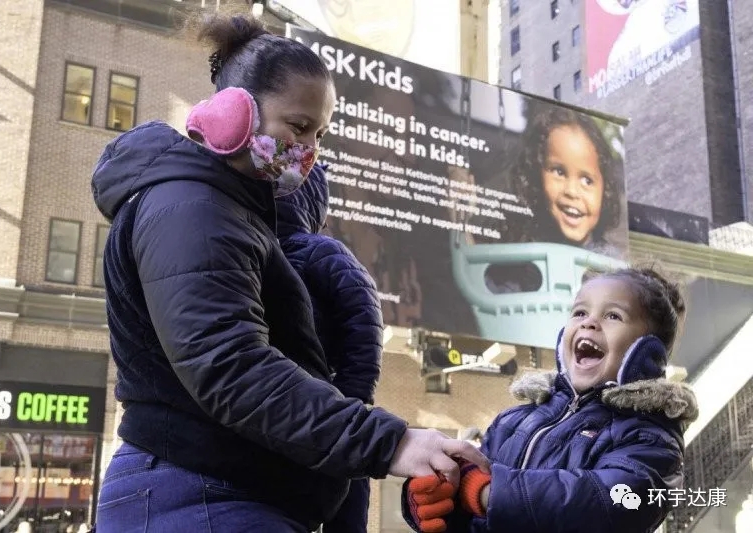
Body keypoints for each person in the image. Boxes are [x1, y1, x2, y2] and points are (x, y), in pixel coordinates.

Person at [90, 12, 487, 533]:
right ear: (232, 112)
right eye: (298, 127)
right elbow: (230, 366)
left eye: (319, 134)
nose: (308, 151)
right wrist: (392, 442)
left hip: (227, 496)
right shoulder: (190, 207)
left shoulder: (228, 212)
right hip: (194, 496)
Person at [401, 266, 699, 532]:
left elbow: (610, 503)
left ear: (647, 352)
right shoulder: (514, 419)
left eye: (613, 316)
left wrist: (486, 493)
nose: (589, 323)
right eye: (580, 312)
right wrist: (434, 501)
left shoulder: (650, 436)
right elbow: (471, 503)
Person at [274, 163, 382, 532]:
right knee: (346, 482)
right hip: (321, 401)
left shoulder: (313, 253)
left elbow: (361, 317)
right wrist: (354, 396)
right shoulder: (321, 250)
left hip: (314, 400)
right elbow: (364, 321)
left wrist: (352, 394)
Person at [505, 101, 623, 256]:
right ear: (535, 177)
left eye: (587, 181)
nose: (572, 192)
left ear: (604, 191)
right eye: (559, 172)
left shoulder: (611, 267)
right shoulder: (521, 257)